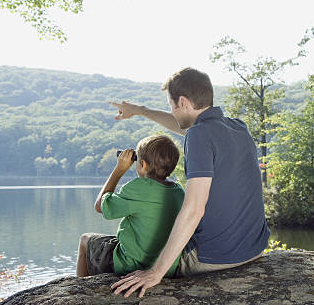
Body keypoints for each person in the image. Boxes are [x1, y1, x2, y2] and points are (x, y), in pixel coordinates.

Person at [109, 67, 270, 298]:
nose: (172, 111)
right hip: (253, 250)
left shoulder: (198, 136)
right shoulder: (238, 128)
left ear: (183, 102)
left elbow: (194, 208)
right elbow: (184, 125)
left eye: (172, 105)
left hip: (212, 259)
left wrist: (156, 272)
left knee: (112, 247)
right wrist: (140, 111)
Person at [76, 135, 185, 278]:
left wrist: (119, 170)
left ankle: (81, 289)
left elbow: (100, 206)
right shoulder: (179, 192)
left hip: (130, 264)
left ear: (143, 164)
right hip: (166, 268)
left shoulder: (137, 188)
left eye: (137, 159)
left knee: (85, 240)